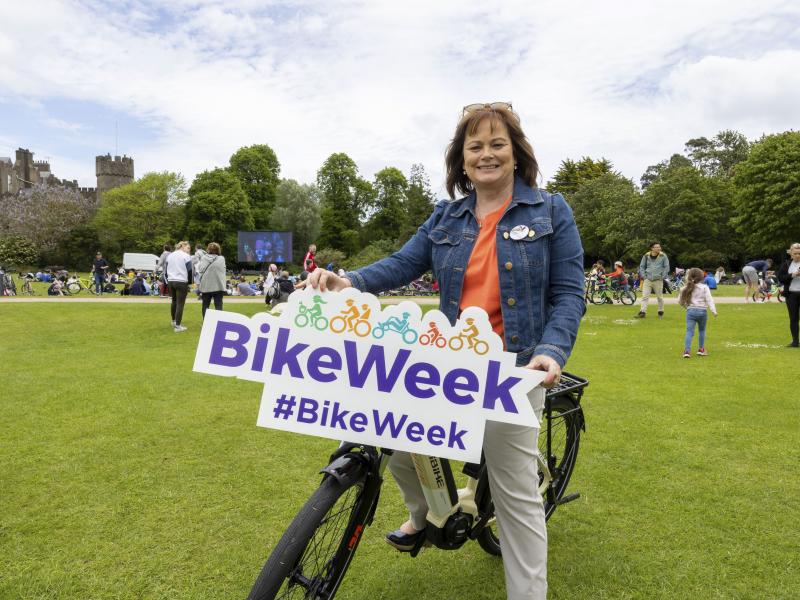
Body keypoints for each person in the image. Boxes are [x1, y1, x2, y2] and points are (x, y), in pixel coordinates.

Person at [304, 102, 585, 599]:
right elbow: (402, 263)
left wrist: (552, 350)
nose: (487, 154)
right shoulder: (446, 217)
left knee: (518, 498)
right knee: (393, 441)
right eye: (475, 146)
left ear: (516, 154)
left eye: (498, 144)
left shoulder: (550, 210)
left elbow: (568, 292)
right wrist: (348, 281)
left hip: (516, 370)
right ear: (461, 160)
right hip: (451, 364)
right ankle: (428, 515)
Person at [678, 267, 717, 358]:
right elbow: (709, 300)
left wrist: (687, 308)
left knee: (689, 331)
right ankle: (701, 349)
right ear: (701, 277)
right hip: (702, 312)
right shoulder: (704, 288)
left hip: (691, 311)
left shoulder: (684, 288)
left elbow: (680, 301)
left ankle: (687, 351)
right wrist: (713, 310)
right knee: (702, 330)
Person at [636, 242, 670, 318]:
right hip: (647, 280)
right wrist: (644, 276)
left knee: (659, 297)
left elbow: (666, 267)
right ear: (652, 248)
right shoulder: (646, 255)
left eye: (659, 247)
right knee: (645, 296)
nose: (659, 248)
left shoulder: (663, 256)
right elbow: (642, 266)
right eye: (656, 247)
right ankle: (642, 312)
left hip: (658, 280)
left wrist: (663, 276)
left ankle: (660, 311)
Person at [776, 243, 800, 347]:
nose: (798, 255)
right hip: (791, 295)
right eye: (795, 253)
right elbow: (780, 278)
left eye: (799, 253)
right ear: (791, 254)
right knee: (793, 318)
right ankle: (795, 341)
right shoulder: (786, 264)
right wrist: (793, 275)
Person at [165, 241, 192, 332]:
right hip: (181, 281)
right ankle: (178, 326)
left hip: (171, 280)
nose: (188, 250)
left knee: (174, 301)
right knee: (180, 303)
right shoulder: (186, 256)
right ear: (182, 246)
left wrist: (168, 278)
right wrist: (189, 283)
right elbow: (190, 271)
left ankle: (173, 321)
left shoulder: (170, 255)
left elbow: (165, 270)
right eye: (187, 248)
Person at [198, 242, 227, 319]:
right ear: (218, 250)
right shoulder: (221, 259)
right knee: (218, 305)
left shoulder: (204, 258)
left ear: (208, 249)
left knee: (205, 305)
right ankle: (218, 322)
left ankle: (205, 323)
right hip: (218, 285)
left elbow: (200, 270)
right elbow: (223, 271)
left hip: (206, 286)